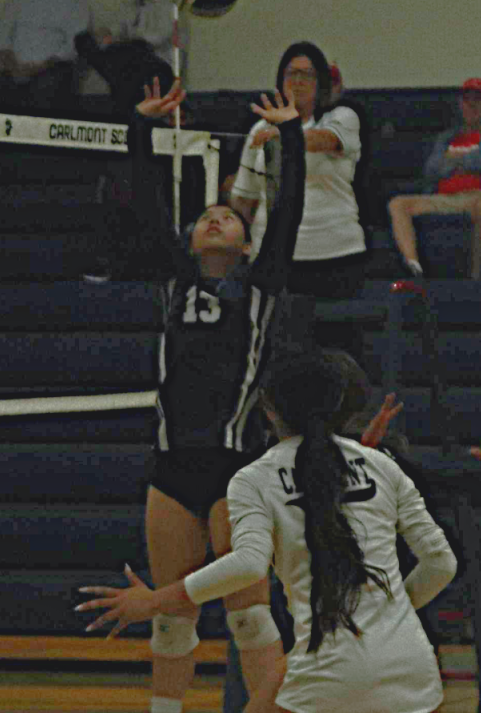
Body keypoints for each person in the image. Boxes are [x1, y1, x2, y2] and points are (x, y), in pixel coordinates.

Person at [78, 349, 460, 713]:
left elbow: (246, 565)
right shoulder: (383, 465)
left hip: (327, 670)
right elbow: (442, 564)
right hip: (412, 667)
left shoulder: (255, 477)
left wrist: (155, 600)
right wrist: (387, 617)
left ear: (268, 410)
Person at [106, 77, 304, 713]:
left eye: (229, 217)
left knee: (248, 619)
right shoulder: (172, 280)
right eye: (206, 217)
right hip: (170, 471)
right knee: (172, 620)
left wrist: (292, 134)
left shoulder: (262, 285)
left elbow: (290, 209)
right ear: (191, 241)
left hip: (237, 470)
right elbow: (142, 204)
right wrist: (143, 128)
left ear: (244, 244)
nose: (216, 218)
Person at [229, 43, 368, 301]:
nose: (299, 81)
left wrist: (284, 132)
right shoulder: (260, 127)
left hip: (336, 254)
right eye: (292, 74)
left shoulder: (343, 117)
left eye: (308, 74)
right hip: (273, 257)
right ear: (281, 80)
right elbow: (244, 198)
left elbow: (322, 140)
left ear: (321, 83)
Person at [387, 79, 481, 280]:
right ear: (460, 105)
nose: (472, 105)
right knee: (398, 204)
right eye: (467, 100)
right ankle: (414, 266)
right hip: (447, 197)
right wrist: (469, 161)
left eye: (478, 100)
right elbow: (431, 169)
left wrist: (455, 160)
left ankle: (476, 277)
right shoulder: (446, 138)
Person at [76, 0, 178, 114]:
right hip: (128, 72)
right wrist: (102, 35)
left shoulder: (171, 5)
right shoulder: (128, 7)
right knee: (84, 41)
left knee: (135, 49)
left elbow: (154, 39)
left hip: (158, 73)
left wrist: (118, 41)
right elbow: (112, 30)